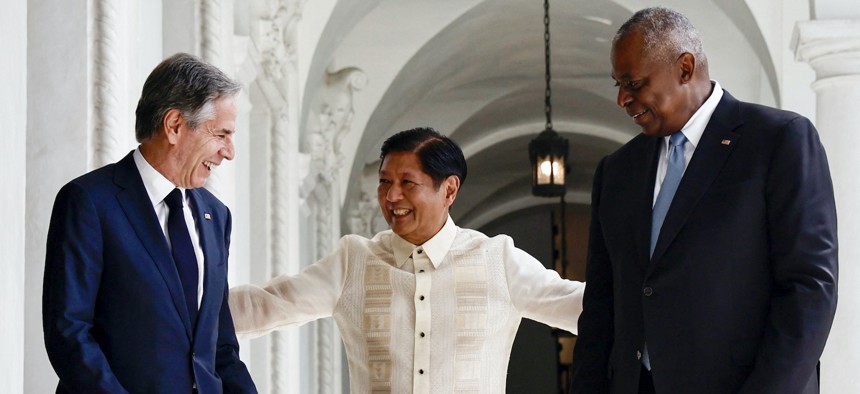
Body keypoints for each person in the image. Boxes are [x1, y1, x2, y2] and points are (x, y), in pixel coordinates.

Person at [570, 7, 838, 394]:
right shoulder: (617, 172)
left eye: (634, 83)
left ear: (684, 67)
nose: (623, 99)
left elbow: (809, 289)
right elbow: (600, 308)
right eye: (618, 85)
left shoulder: (779, 141)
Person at [229, 127, 585, 393]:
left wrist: (639, 301)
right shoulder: (354, 262)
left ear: (449, 189)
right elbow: (267, 305)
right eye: (385, 182)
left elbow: (577, 305)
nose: (391, 196)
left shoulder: (497, 260)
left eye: (407, 182)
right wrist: (179, 312)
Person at [43, 53, 257, 393]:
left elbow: (221, 349)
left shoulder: (217, 216)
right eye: (222, 134)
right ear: (174, 126)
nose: (229, 152)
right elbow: (69, 333)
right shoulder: (89, 202)